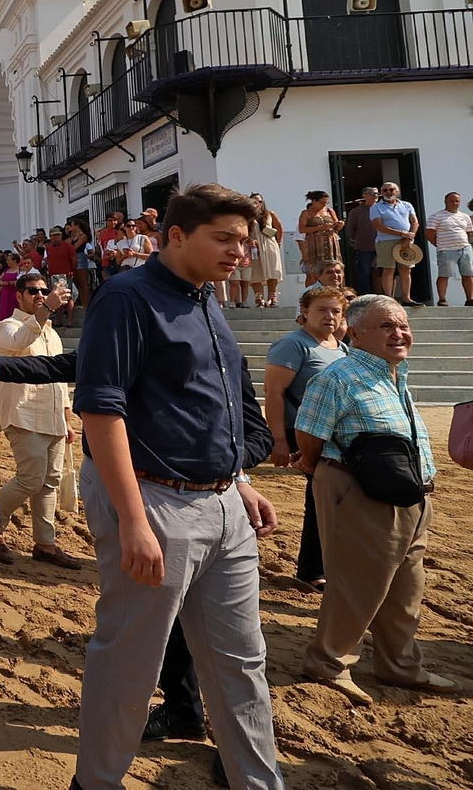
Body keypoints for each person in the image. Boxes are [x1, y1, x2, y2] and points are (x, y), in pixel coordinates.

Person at [70, 184, 281, 790]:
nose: (239, 251)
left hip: (223, 505)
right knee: (130, 666)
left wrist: (237, 479)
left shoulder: (209, 300)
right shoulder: (126, 297)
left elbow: (210, 406)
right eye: (225, 238)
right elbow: (102, 411)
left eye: (246, 240)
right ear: (176, 236)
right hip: (156, 503)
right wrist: (133, 518)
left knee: (243, 666)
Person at [295, 295, 456, 703]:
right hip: (361, 493)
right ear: (356, 331)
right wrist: (333, 477)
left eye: (402, 325)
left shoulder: (394, 374)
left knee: (406, 590)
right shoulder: (338, 377)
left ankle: (399, 666)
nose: (399, 333)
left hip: (410, 497)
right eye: (387, 326)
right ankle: (329, 662)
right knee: (357, 585)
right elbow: (309, 437)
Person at [0, 271, 79, 569]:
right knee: (31, 478)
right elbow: (21, 339)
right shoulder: (7, 326)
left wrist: (66, 413)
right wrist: (47, 308)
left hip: (52, 415)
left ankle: (45, 544)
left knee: (49, 481)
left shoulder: (50, 331)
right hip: (24, 413)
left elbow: (58, 376)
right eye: (33, 291)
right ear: (20, 295)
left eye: (43, 290)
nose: (39, 295)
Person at [264, 286, 348, 592]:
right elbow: (273, 393)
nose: (329, 316)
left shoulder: (339, 346)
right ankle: (312, 570)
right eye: (322, 310)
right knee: (321, 499)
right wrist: (279, 439)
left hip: (333, 434)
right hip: (302, 433)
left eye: (336, 311)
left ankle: (327, 565)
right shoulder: (292, 345)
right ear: (305, 312)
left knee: (335, 499)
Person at [370, 182, 422, 306]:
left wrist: (409, 237)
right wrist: (402, 233)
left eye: (391, 189)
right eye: (385, 190)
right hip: (385, 241)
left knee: (406, 269)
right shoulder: (376, 207)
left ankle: (407, 298)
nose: (388, 192)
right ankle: (389, 299)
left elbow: (415, 222)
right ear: (381, 193)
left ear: (397, 191)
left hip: (406, 240)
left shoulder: (407, 205)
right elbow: (379, 226)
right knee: (388, 269)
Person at [425, 191, 472, 306]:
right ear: (445, 201)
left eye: (457, 201)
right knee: (444, 275)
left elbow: (469, 232)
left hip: (464, 249)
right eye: (451, 200)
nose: (454, 203)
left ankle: (470, 299)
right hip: (446, 250)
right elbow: (429, 232)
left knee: (468, 274)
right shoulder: (436, 216)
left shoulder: (465, 217)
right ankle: (442, 299)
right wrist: (439, 244)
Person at [298, 189, 344, 290]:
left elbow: (336, 227)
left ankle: (336, 290)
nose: (323, 205)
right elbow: (302, 229)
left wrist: (339, 225)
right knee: (315, 270)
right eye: (321, 202)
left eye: (326, 202)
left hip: (331, 244)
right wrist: (320, 228)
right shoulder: (306, 213)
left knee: (334, 267)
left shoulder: (329, 211)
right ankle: (313, 292)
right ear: (314, 201)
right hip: (315, 245)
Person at [343, 187, 380, 293]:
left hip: (382, 245)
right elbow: (351, 229)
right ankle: (365, 296)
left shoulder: (382, 209)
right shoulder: (356, 212)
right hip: (364, 246)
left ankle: (384, 295)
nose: (375, 195)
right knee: (364, 273)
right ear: (364, 195)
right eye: (372, 193)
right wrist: (354, 241)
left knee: (382, 272)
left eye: (377, 193)